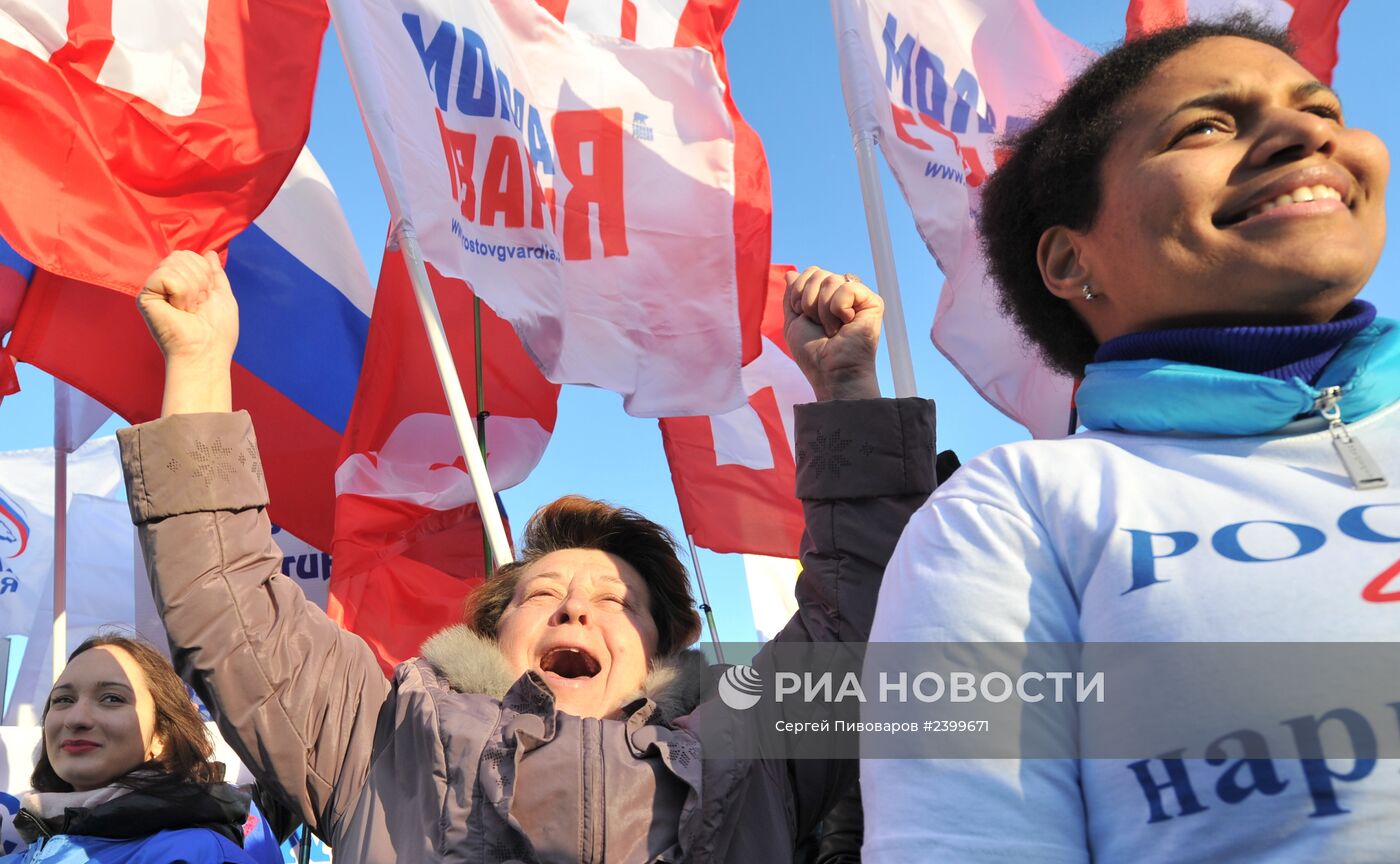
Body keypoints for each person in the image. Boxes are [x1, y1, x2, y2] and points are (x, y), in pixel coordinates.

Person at [116, 253, 937, 862]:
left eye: (617, 602)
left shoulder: (746, 754)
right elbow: (228, 603)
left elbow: (864, 616)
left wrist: (847, 389)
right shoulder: (381, 737)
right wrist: (197, 365)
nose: (576, 607)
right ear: (492, 632)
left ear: (659, 651)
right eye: (545, 593)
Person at [861, 16, 1398, 864]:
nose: (1305, 136)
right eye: (1207, 126)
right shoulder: (1015, 511)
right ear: (1073, 264)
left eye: (1323, 111)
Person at [2, 634, 260, 862]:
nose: (75, 718)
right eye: (63, 700)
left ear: (163, 736)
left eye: (112, 698)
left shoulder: (196, 854)